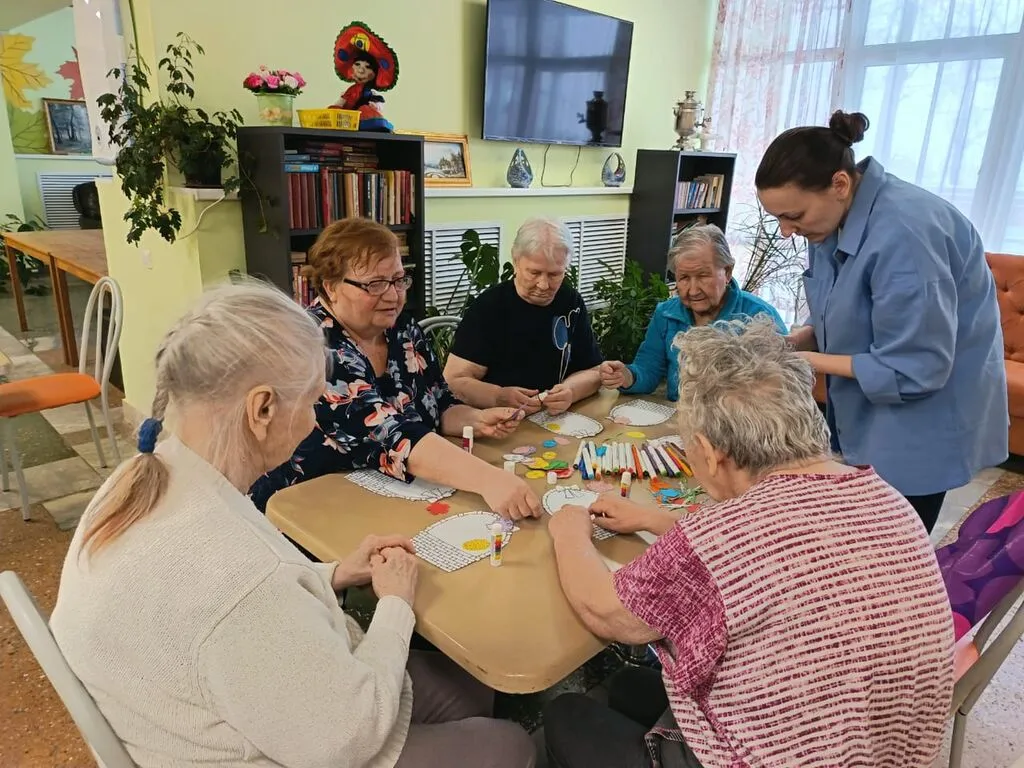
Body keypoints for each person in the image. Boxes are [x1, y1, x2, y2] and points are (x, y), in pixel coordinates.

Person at [49, 281, 536, 768]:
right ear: (261, 409)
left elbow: (238, 607)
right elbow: (347, 738)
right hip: (300, 742)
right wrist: (395, 604)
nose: (314, 422)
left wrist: (332, 573)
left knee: (472, 689)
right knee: (511, 745)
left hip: (219, 708)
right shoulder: (244, 577)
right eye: (311, 404)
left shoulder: (142, 477)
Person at [543, 318, 954, 768]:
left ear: (710, 452)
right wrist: (656, 520)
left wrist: (568, 530)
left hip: (761, 757)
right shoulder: (887, 498)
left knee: (566, 713)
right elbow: (787, 543)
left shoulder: (720, 537)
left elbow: (607, 613)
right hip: (887, 750)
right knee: (627, 686)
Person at [756, 110, 1008, 532]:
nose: (785, 231)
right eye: (777, 218)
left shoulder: (907, 233)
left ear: (840, 183)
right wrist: (796, 340)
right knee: (851, 533)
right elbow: (845, 307)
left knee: (889, 547)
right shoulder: (828, 220)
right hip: (867, 408)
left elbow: (916, 367)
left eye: (793, 216)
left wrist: (804, 362)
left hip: (921, 419)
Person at [249, 219, 541, 521]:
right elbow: (392, 435)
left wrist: (475, 420)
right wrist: (488, 479)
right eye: (375, 284)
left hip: (383, 495)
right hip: (304, 509)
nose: (392, 295)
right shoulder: (311, 346)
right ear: (331, 287)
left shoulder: (402, 329)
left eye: (398, 280)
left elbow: (439, 401)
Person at [599, 224, 786, 400]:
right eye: (684, 278)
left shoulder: (760, 317)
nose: (693, 290)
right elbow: (648, 369)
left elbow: (784, 386)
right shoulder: (665, 314)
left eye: (703, 276)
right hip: (680, 416)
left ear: (727, 272)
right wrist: (627, 376)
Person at [445, 218, 603, 416]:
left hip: (552, 418)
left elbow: (594, 371)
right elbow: (453, 381)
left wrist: (571, 391)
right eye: (534, 273)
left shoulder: (571, 302)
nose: (543, 285)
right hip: (498, 420)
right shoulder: (489, 307)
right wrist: (498, 396)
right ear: (516, 261)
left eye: (554, 275)